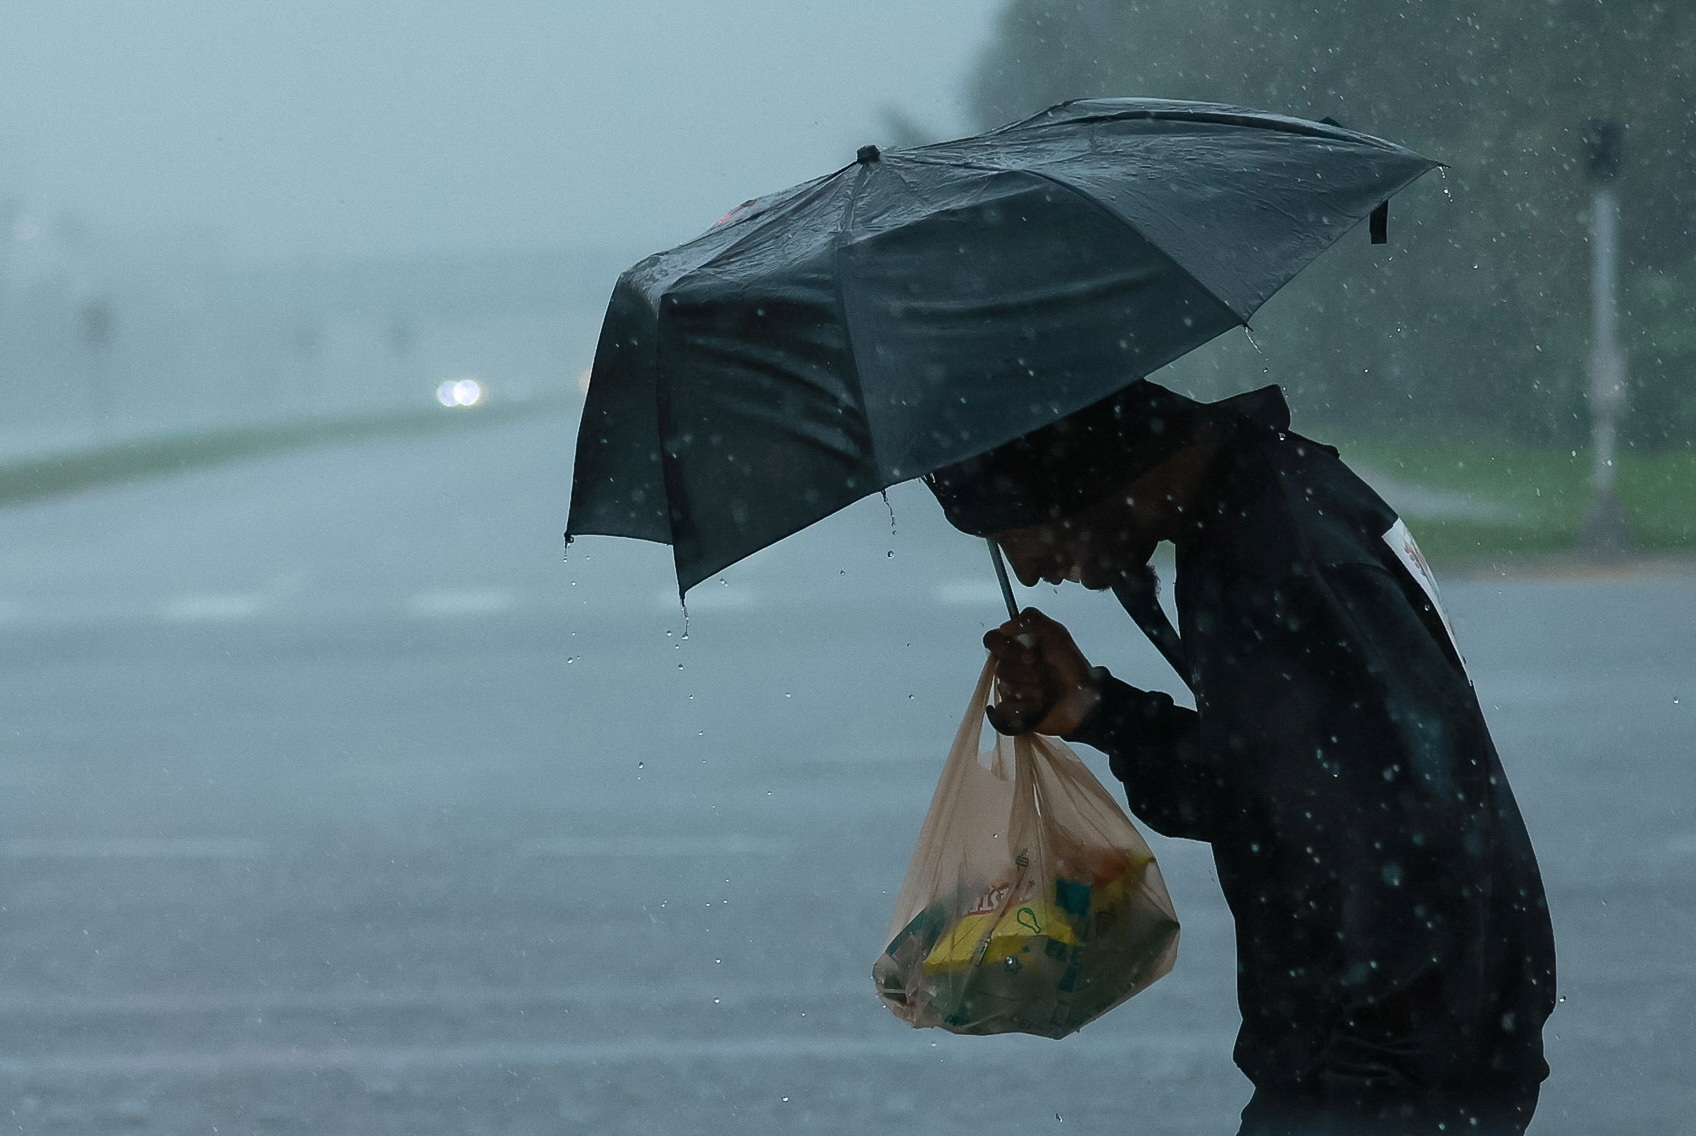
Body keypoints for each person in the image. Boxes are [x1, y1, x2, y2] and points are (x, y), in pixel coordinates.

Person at [925, 380, 1557, 1136]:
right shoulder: (1256, 512)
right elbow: (1272, 793)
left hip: (1391, 1067)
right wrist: (1099, 709)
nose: (1026, 569)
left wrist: (1362, 1084)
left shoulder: (1279, 563)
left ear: (1080, 471)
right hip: (1401, 1053)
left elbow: (1398, 840)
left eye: (1013, 527)